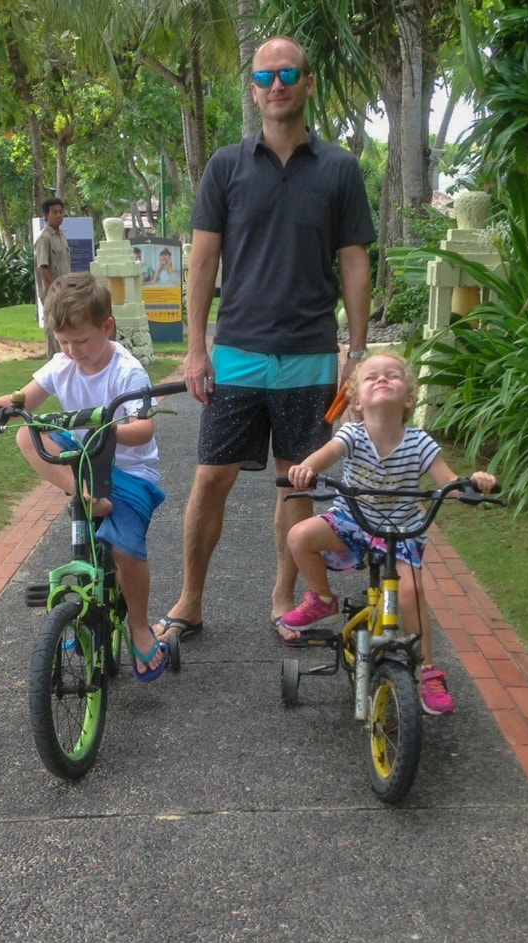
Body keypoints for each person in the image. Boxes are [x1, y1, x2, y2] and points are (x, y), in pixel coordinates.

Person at [152, 34, 376, 646]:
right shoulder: (225, 166)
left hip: (308, 356)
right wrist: (197, 347)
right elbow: (202, 265)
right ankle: (190, 601)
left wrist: (355, 355)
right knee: (210, 479)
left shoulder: (340, 169)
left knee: (294, 481)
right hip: (239, 352)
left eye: (288, 73)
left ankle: (283, 598)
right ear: (253, 90)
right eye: (265, 76)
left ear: (307, 83)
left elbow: (354, 263)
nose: (276, 84)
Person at [0, 273, 169, 681]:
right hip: (85, 468)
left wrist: (109, 428)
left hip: (129, 473)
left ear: (107, 327)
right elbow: (24, 398)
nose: (72, 352)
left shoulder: (127, 374)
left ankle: (138, 626)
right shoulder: (63, 363)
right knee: (27, 432)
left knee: (128, 551)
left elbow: (144, 430)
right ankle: (85, 494)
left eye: (81, 341)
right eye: (63, 342)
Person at [278, 351, 498, 715]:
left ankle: (427, 670)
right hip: (352, 522)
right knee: (299, 536)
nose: (382, 379)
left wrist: (474, 483)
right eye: (371, 377)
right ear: (358, 401)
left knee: (412, 592)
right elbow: (323, 456)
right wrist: (304, 470)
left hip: (402, 530)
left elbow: (450, 485)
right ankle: (322, 598)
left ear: (409, 398)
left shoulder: (420, 443)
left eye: (392, 376)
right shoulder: (351, 434)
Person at [33, 197, 71, 356]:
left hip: (65, 292)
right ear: (46, 216)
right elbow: (43, 267)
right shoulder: (44, 238)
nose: (58, 215)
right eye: (54, 212)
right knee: (53, 330)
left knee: (65, 329)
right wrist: (53, 290)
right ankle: (53, 368)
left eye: (61, 212)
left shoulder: (61, 235)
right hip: (52, 294)